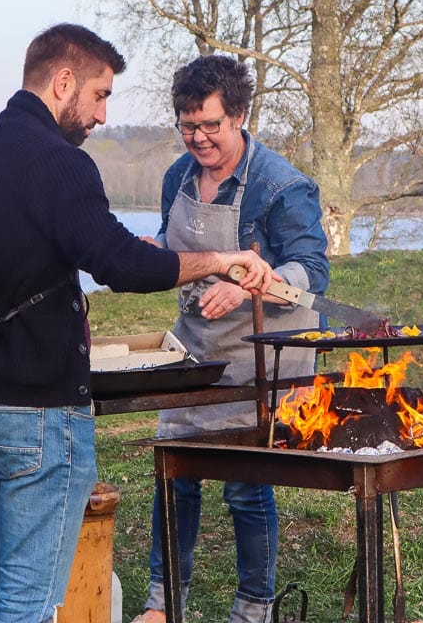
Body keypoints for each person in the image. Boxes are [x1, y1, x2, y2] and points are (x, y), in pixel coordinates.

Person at [0, 24, 275, 623]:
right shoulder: (59, 164)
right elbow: (122, 263)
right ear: (63, 82)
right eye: (101, 94)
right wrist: (221, 260)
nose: (103, 114)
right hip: (39, 414)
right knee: (28, 597)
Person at [132, 55, 330, 623]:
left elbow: (314, 272)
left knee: (245, 485)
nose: (198, 138)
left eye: (210, 126)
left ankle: (254, 608)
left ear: (240, 115)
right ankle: (163, 603)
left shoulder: (282, 185)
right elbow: (185, 257)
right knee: (175, 473)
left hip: (263, 353)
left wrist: (252, 287)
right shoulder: (177, 176)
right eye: (187, 125)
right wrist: (157, 258)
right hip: (195, 346)